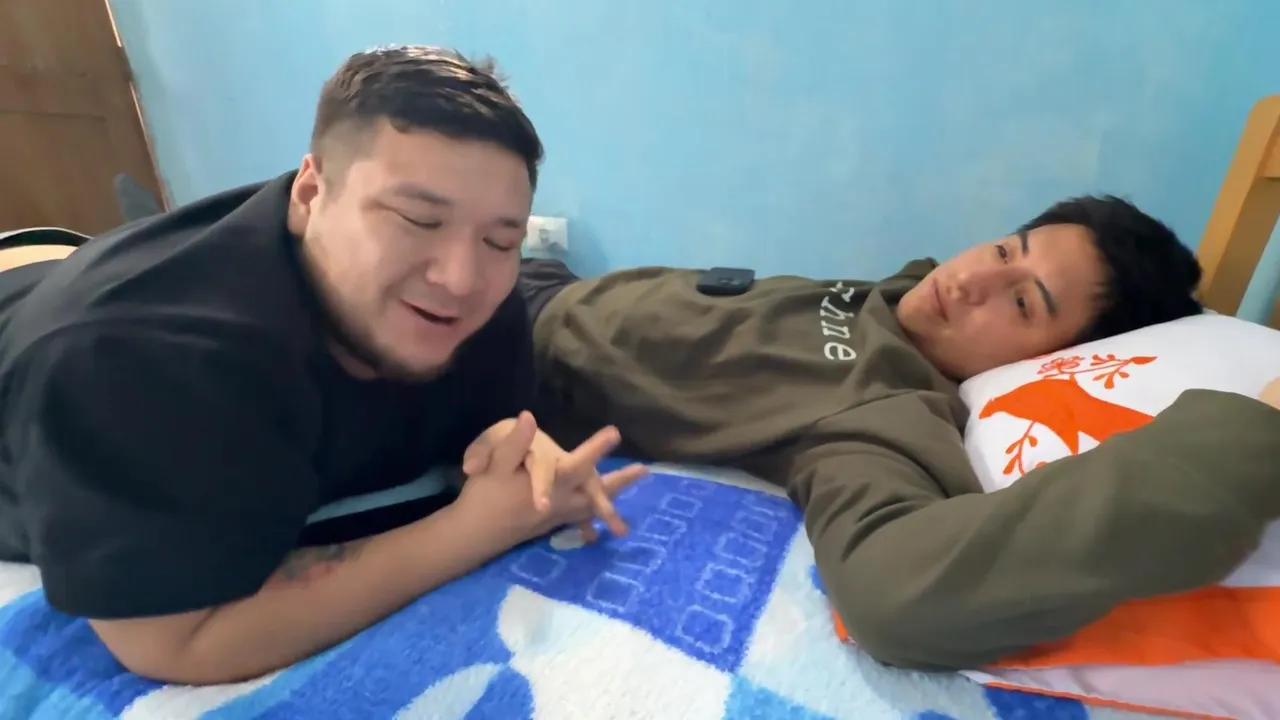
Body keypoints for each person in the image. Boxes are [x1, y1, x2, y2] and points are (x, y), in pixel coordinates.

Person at [0, 45, 643, 686]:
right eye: (418, 219)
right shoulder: (132, 360)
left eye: (500, 240)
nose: (461, 278)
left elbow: (486, 433)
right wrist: (468, 531)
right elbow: (176, 641)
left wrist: (514, 447)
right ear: (309, 193)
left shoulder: (483, 306)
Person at [509, 195, 1280, 670]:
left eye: (1022, 303)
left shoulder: (885, 410)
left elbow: (899, 594)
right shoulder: (911, 296)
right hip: (541, 279)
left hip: (509, 349)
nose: (970, 279)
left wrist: (1255, 436)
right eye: (1005, 249)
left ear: (1051, 364)